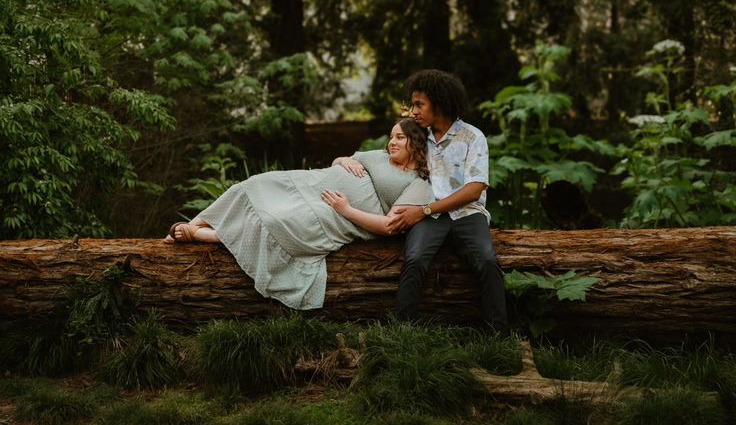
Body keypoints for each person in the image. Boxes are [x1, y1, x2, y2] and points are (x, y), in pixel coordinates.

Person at [164, 119, 433, 310]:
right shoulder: (379, 155)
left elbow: (390, 226)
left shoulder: (419, 183)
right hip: (311, 183)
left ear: (417, 142)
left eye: (400, 137)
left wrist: (346, 209)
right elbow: (340, 160)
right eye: (392, 135)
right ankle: (195, 221)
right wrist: (344, 160)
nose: (392, 141)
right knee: (254, 184)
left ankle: (205, 236)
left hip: (337, 215)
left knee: (276, 223)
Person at [386, 70, 508, 334]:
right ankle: (401, 334)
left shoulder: (472, 137)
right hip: (430, 218)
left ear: (439, 103)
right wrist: (347, 160)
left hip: (467, 214)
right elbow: (387, 156)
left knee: (487, 261)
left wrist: (424, 210)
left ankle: (498, 336)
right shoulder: (418, 137)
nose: (413, 111)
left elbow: (474, 189)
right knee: (415, 259)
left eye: (419, 104)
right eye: (413, 104)